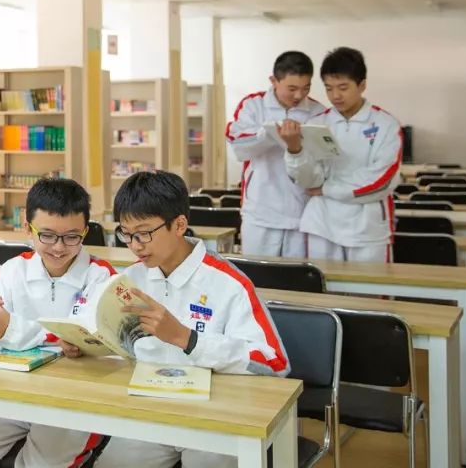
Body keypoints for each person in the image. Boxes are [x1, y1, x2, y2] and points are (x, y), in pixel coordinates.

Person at [90, 171, 288, 468]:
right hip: (148, 411)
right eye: (126, 234)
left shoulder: (228, 283)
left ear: (179, 225)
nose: (134, 245)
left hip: (215, 416)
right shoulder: (131, 280)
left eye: (143, 233)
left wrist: (187, 338)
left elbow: (273, 364)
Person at [0, 178, 116, 468]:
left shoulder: (101, 277)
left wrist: (10, 329)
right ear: (27, 226)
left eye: (72, 237)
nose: (59, 248)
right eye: (47, 235)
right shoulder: (14, 269)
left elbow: (82, 339)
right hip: (11, 392)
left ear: (85, 230)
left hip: (71, 399)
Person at [281, 47, 403, 262]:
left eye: (343, 87)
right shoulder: (317, 123)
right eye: (329, 88)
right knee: (323, 284)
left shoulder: (386, 125)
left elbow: (381, 181)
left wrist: (327, 189)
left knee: (371, 285)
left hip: (367, 230)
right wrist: (294, 150)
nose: (335, 96)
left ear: (362, 85)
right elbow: (308, 180)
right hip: (321, 225)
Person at [225, 51, 325, 257]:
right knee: (257, 273)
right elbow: (237, 144)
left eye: (305, 88)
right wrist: (270, 133)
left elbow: (323, 162)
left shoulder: (318, 112)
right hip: (259, 212)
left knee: (297, 275)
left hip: (301, 213)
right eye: (292, 88)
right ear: (274, 81)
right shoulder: (253, 104)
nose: (298, 95)